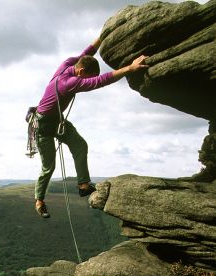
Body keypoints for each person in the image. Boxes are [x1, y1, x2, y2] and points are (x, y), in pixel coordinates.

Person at [34, 37, 148, 218]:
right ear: (80, 72)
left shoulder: (69, 63)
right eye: (88, 77)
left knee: (80, 145)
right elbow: (101, 81)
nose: (89, 81)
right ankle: (39, 200)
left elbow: (88, 52)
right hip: (43, 126)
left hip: (57, 120)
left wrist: (103, 36)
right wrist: (130, 68)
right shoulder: (68, 83)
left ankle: (83, 186)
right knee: (49, 166)